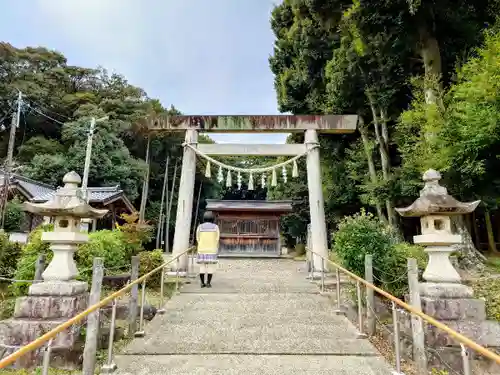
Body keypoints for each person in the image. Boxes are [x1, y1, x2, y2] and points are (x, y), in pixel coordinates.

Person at [196, 210, 220, 288]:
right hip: (212, 250)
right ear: (212, 218)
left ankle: (202, 283)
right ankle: (208, 283)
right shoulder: (215, 227)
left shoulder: (200, 227)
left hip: (202, 249)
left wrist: (201, 243)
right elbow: (217, 238)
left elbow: (197, 238)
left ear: (204, 218)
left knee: (202, 267)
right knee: (210, 267)